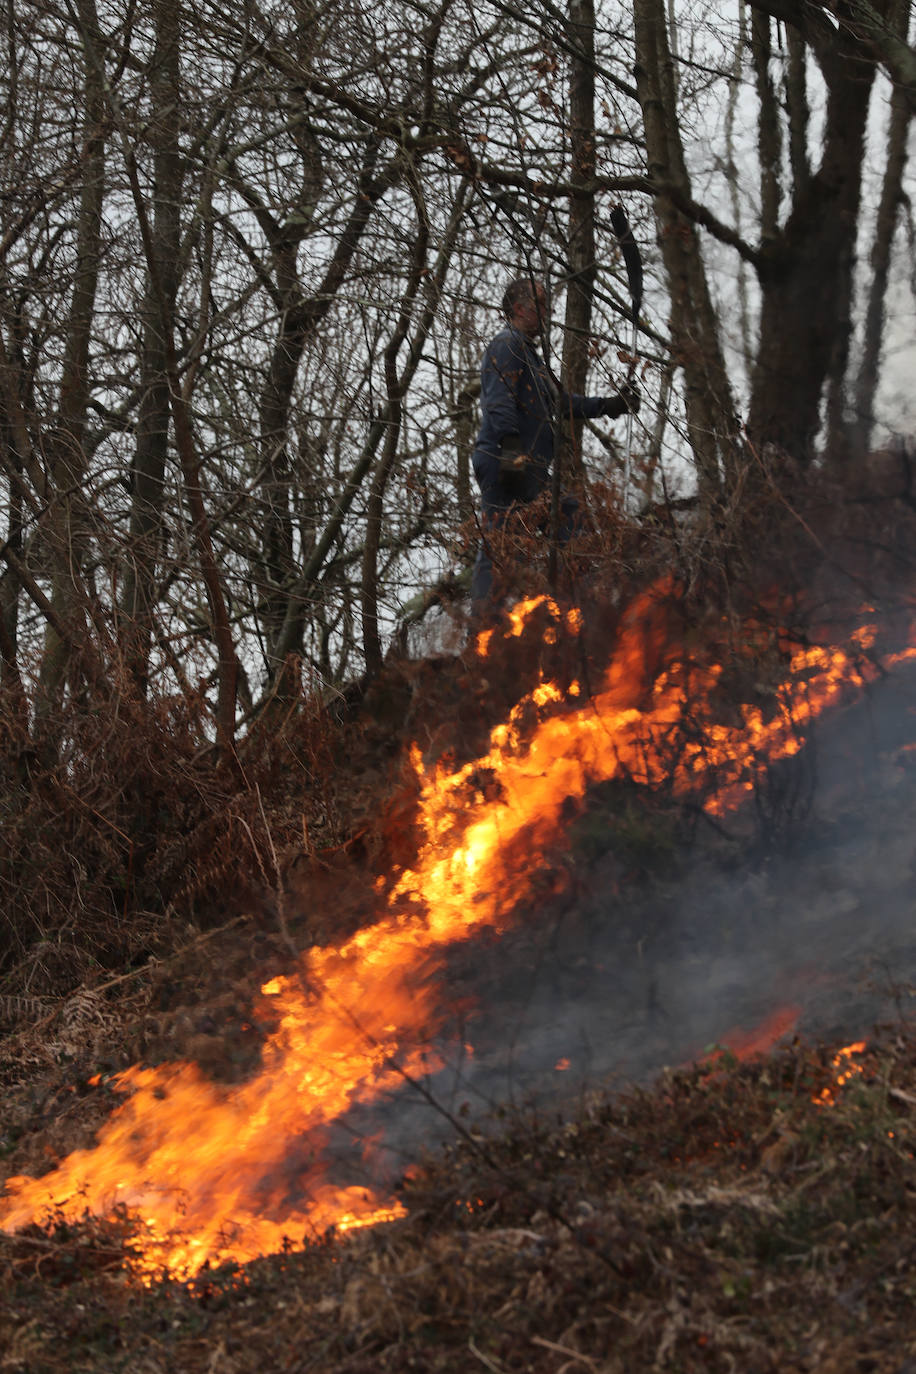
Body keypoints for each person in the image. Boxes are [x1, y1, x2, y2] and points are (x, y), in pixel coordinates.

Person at [470, 275, 639, 611]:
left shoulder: (532, 358)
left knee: (564, 517)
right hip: (507, 457)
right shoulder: (507, 345)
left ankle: (577, 606)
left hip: (525, 462)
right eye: (541, 304)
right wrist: (512, 452)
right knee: (502, 541)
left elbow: (560, 403)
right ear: (519, 308)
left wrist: (609, 405)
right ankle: (482, 626)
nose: (547, 311)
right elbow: (498, 399)